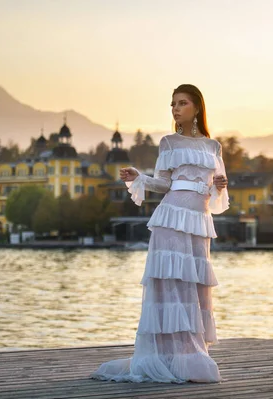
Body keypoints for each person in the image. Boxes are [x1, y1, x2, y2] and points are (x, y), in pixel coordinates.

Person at [90, 84, 229, 383]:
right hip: (171, 218)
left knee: (194, 287)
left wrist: (220, 185)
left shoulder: (213, 146)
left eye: (182, 103)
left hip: (198, 221)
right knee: (170, 286)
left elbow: (215, 192)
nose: (176, 109)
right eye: (173, 104)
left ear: (197, 107)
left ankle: (191, 355)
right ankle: (169, 356)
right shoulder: (168, 142)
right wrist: (140, 177)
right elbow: (164, 184)